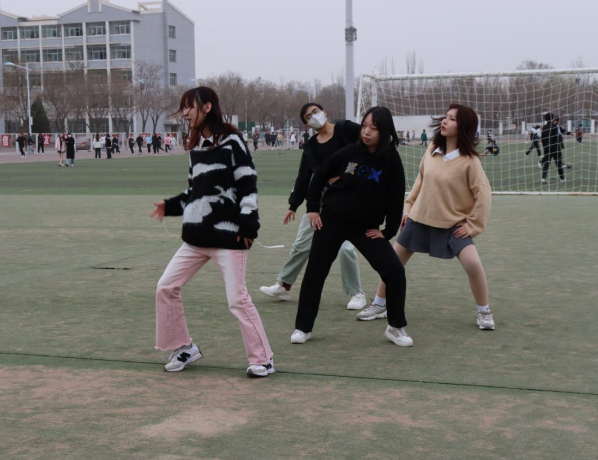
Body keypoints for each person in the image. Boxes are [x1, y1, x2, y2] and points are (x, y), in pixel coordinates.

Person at [150, 86, 274, 378]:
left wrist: (249, 225)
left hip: (229, 238)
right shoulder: (195, 148)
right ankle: (183, 347)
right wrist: (169, 205)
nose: (186, 113)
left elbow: (247, 183)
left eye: (190, 107)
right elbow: (194, 192)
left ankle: (263, 359)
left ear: (207, 107)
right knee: (166, 287)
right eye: (183, 108)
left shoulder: (232, 142)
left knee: (237, 299)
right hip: (195, 238)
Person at [357, 104, 495, 333]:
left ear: (464, 127)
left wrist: (472, 225)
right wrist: (407, 209)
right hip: (419, 219)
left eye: (452, 119)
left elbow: (483, 194)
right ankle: (380, 304)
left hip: (452, 224)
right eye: (446, 117)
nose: (445, 121)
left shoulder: (470, 161)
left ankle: (484, 312)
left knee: (473, 264)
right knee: (392, 264)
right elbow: (419, 183)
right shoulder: (432, 149)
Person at [291, 106, 410, 346]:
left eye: (373, 128)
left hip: (365, 228)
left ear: (384, 131)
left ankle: (396, 327)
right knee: (315, 273)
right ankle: (303, 328)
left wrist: (387, 231)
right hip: (332, 221)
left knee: (394, 271)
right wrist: (312, 208)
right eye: (364, 126)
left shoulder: (391, 159)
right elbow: (319, 176)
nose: (366, 132)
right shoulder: (350, 151)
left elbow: (396, 197)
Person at [259, 102, 366, 310]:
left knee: (345, 247)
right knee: (302, 243)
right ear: (307, 125)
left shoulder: (346, 129)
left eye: (315, 112)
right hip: (320, 201)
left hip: (348, 198)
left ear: (324, 112)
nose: (313, 116)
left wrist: (346, 174)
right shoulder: (310, 146)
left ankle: (357, 292)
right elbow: (304, 176)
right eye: (308, 117)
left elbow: (362, 153)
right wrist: (293, 204)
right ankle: (284, 286)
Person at [540, 113, 569, 183]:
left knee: (547, 163)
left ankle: (543, 178)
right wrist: (560, 145)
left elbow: (542, 139)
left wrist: (545, 147)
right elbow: (557, 137)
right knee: (558, 164)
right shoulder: (555, 126)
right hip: (555, 148)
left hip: (547, 148)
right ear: (552, 118)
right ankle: (562, 179)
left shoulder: (544, 127)